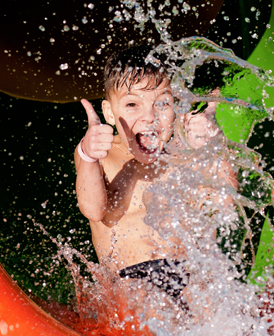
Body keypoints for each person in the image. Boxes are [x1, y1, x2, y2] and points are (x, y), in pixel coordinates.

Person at [74, 45, 229, 309]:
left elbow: (226, 205)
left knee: (207, 302)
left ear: (177, 109)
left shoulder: (184, 154)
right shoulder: (101, 151)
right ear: (109, 113)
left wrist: (213, 147)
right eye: (132, 104)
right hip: (130, 281)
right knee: (151, 303)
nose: (149, 117)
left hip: (188, 274)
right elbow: (93, 209)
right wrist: (88, 155)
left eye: (162, 104)